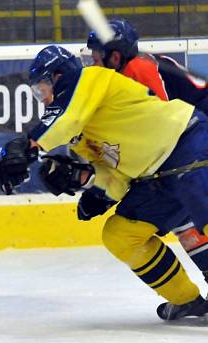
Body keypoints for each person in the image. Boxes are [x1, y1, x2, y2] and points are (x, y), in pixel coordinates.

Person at [0, 45, 208, 321]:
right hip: (158, 179)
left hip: (190, 145)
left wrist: (27, 146)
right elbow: (113, 169)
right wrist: (99, 194)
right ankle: (187, 300)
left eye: (42, 89)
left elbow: (63, 117)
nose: (43, 99)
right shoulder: (81, 130)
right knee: (121, 235)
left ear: (59, 75)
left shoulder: (90, 79)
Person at [85, 19, 208, 287]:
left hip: (200, 141)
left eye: (96, 57)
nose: (92, 65)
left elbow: (160, 125)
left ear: (114, 56)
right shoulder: (137, 67)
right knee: (184, 214)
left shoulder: (137, 69)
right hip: (196, 139)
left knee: (194, 203)